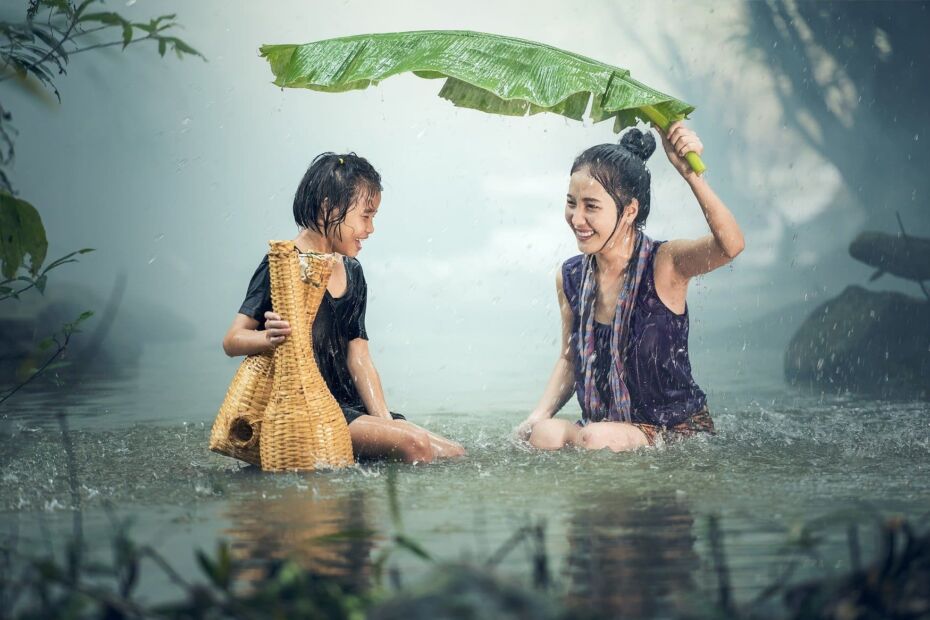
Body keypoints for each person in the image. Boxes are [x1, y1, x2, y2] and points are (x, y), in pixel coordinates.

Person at [223, 152, 465, 463]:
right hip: (311, 410)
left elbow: (359, 358)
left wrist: (385, 423)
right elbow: (232, 340)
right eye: (366, 216)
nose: (371, 228)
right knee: (416, 445)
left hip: (351, 407)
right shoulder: (284, 265)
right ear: (329, 207)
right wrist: (266, 338)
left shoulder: (352, 271)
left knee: (453, 453)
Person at [516, 123, 744, 451]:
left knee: (595, 437)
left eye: (590, 206)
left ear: (629, 211)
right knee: (545, 434)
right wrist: (537, 415)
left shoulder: (665, 265)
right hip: (605, 428)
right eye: (571, 202)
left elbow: (731, 245)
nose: (576, 219)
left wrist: (690, 174)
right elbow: (570, 358)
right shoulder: (571, 276)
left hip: (674, 430)